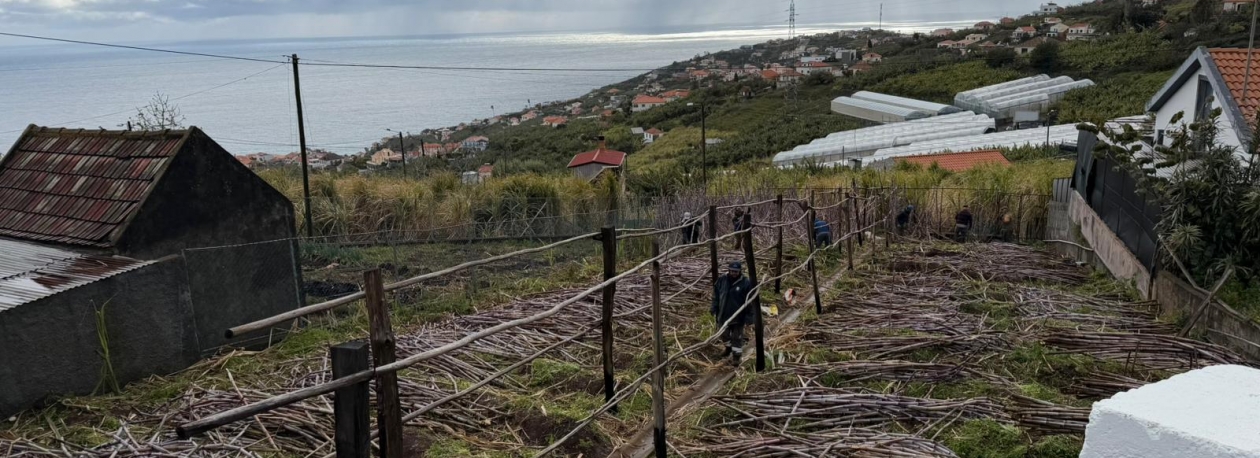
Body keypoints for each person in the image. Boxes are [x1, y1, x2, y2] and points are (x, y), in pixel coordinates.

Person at [712, 261, 755, 366]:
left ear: (740, 271)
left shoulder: (746, 283)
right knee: (723, 334)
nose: (733, 273)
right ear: (729, 270)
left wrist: (749, 317)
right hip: (723, 314)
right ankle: (728, 348)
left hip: (738, 316)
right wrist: (714, 308)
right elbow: (716, 296)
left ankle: (736, 357)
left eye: (736, 271)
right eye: (732, 271)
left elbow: (750, 301)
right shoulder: (722, 280)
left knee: (737, 337)